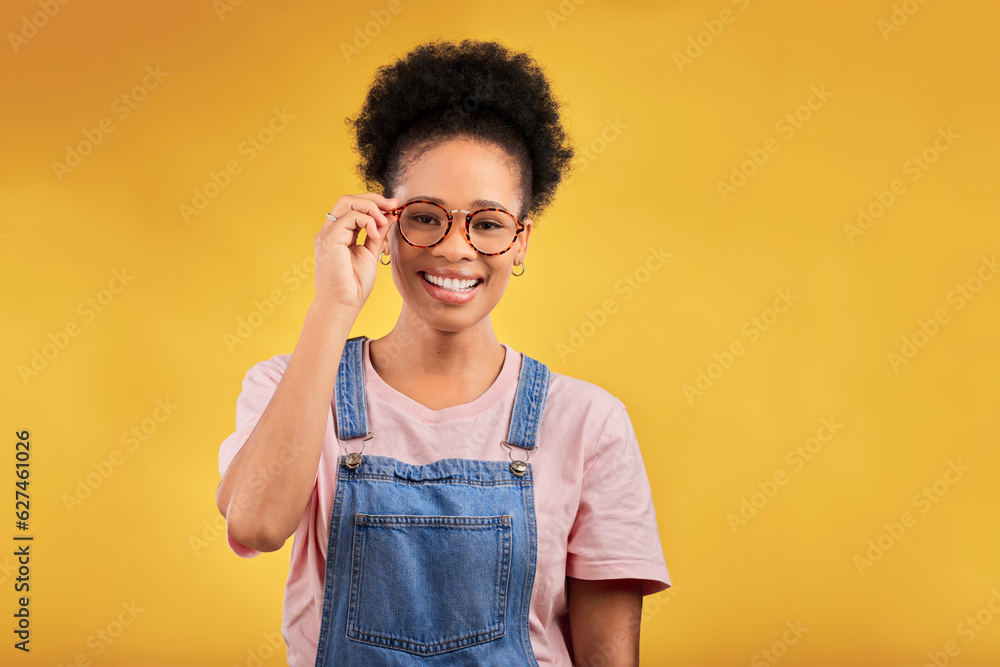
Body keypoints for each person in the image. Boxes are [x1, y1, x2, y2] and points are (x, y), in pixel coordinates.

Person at [215, 38, 670, 666]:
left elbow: (607, 659)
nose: (455, 248)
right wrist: (333, 306)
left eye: (487, 223)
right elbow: (255, 525)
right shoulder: (289, 390)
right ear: (383, 222)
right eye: (426, 216)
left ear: (521, 241)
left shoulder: (589, 422)